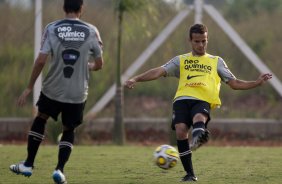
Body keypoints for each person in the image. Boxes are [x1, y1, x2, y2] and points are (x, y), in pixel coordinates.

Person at [125, 23, 272, 182]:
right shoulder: (180, 60)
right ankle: (190, 173)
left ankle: (199, 136)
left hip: (202, 99)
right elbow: (158, 71)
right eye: (197, 41)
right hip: (181, 100)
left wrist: (256, 83)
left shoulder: (216, 61)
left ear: (207, 40)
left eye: (204, 41)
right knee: (181, 131)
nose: (201, 45)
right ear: (190, 40)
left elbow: (234, 83)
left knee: (199, 119)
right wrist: (136, 78)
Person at [9, 0, 104, 183]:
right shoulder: (92, 30)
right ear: (81, 9)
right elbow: (100, 64)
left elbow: (40, 61)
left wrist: (29, 87)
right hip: (77, 93)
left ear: (64, 8)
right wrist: (88, 66)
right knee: (69, 129)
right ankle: (59, 170)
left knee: (41, 118)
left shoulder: (52, 28)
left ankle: (28, 164)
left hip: (53, 88)